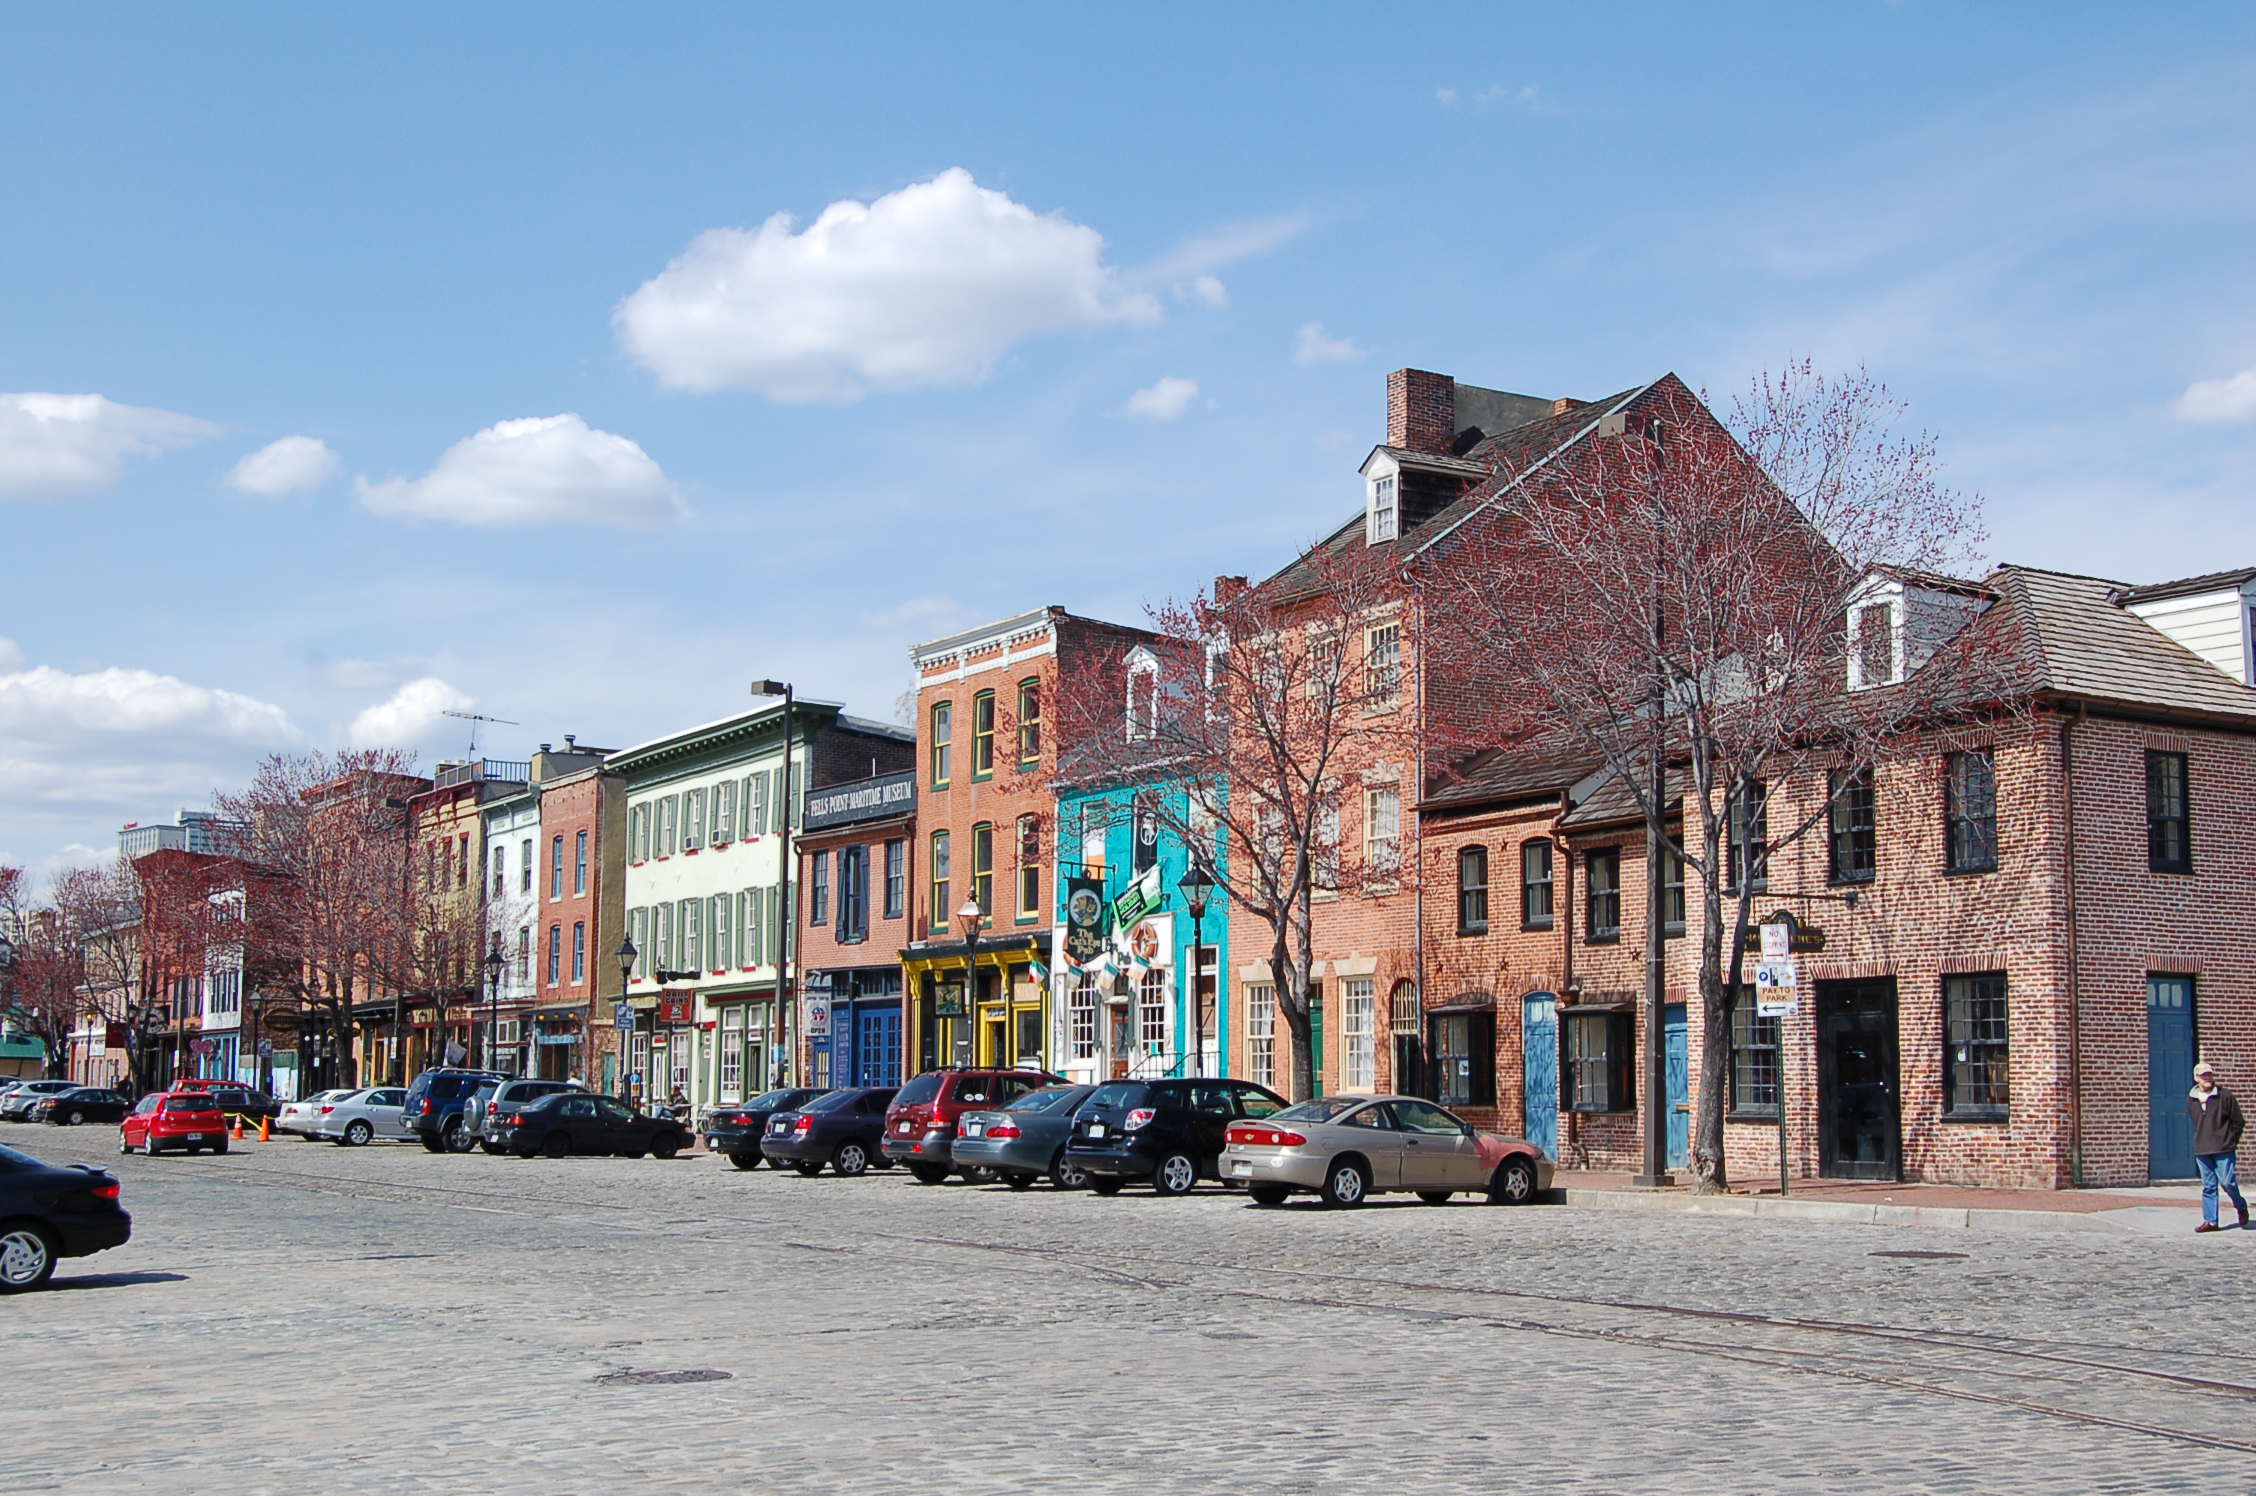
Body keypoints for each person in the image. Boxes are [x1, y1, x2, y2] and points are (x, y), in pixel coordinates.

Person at [2189, 1061, 2248, 1233]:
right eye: (2203, 1075)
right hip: (2202, 1148)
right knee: (2208, 1186)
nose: (2207, 1078)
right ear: (2196, 1078)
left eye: (2209, 1074)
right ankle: (2211, 1221)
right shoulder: (2191, 1099)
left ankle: (2241, 1205)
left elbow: (2238, 1122)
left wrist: (2230, 1141)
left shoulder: (2225, 1096)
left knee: (2227, 1182)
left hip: (2223, 1148)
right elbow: (2197, 1123)